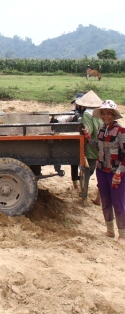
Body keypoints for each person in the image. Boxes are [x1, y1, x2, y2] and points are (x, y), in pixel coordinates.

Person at [83, 100, 125, 244]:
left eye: (109, 113)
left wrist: (119, 173)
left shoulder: (120, 131)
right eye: (104, 113)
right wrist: (89, 138)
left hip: (116, 172)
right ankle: (110, 230)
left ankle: (122, 234)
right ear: (100, 115)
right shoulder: (101, 129)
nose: (106, 116)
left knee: (118, 203)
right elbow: (98, 147)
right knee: (105, 201)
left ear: (114, 115)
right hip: (101, 170)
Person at [75, 90, 104, 204]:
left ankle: (84, 197)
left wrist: (81, 128)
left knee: (88, 171)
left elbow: (89, 130)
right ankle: (99, 199)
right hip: (105, 145)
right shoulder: (102, 113)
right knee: (103, 173)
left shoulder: (87, 114)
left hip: (93, 147)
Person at [52, 93, 85, 187]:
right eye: (77, 103)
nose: (77, 105)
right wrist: (56, 121)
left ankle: (78, 183)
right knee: (74, 161)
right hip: (75, 141)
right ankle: (75, 182)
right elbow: (63, 118)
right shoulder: (73, 113)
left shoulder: (89, 114)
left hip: (86, 141)